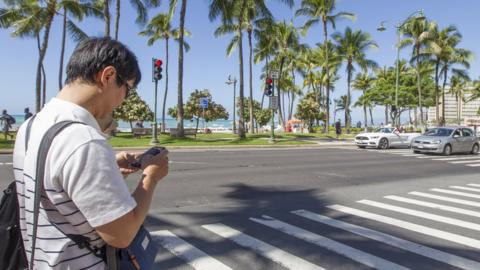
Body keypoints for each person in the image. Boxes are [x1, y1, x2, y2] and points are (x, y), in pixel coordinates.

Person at [13, 37, 169, 269]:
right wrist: (151, 177)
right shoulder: (83, 141)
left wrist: (108, 168)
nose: (124, 100)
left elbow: (53, 186)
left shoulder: (32, 125)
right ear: (107, 76)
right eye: (127, 88)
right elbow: (122, 234)